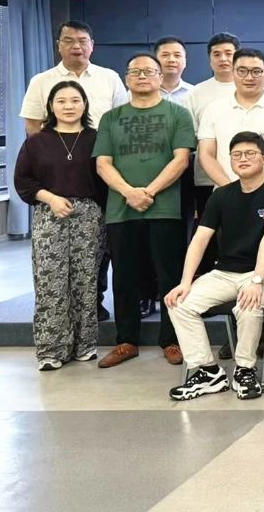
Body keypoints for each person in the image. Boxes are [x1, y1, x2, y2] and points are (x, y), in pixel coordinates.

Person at [165, 132, 264, 400]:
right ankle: (208, 371)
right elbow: (200, 240)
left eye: (250, 154)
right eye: (237, 155)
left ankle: (245, 369)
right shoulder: (221, 195)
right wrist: (185, 282)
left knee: (248, 305)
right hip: (225, 272)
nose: (243, 159)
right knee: (179, 303)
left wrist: (257, 281)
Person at [93, 53, 196, 368]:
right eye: (135, 71)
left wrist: (148, 192)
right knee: (124, 276)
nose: (141, 76)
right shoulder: (111, 118)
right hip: (121, 210)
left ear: (160, 78)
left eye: (148, 71)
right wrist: (129, 192)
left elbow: (181, 159)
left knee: (170, 276)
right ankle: (126, 341)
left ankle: (172, 340)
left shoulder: (178, 114)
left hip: (165, 209)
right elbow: (102, 164)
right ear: (126, 79)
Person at [14, 81, 105, 370]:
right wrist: (51, 198)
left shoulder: (97, 138)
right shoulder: (36, 141)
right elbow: (23, 180)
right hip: (49, 214)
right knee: (50, 282)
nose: (68, 106)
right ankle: (51, 350)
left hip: (89, 217)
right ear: (51, 106)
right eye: (61, 101)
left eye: (75, 100)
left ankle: (85, 344)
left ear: (85, 105)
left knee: (85, 282)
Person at [197, 48, 264, 186]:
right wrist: (230, 189)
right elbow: (206, 154)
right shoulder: (213, 109)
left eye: (256, 71)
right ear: (233, 73)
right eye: (242, 71)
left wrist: (262, 186)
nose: (249, 78)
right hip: (225, 191)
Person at [20, 20, 127, 134]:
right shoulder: (40, 81)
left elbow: (124, 118)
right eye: (68, 41)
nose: (76, 46)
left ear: (91, 45)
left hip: (102, 144)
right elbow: (32, 124)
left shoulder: (110, 78)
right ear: (58, 45)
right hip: (57, 144)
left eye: (82, 41)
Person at [188, 32, 242, 216]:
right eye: (217, 54)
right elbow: (192, 135)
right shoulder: (196, 93)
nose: (223, 59)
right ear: (210, 59)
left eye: (229, 53)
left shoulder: (254, 87)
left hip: (249, 173)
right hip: (207, 178)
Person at [153, 36, 193, 107]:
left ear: (185, 62)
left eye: (177, 55)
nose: (171, 60)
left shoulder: (194, 93)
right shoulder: (140, 92)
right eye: (165, 55)